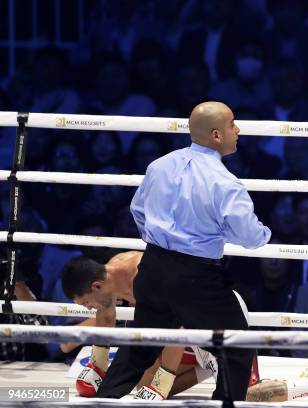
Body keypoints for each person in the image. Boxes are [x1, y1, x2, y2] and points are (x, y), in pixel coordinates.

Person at [95, 101, 271, 400]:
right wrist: (263, 233)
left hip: (152, 267)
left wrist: (161, 241)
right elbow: (249, 236)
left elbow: (138, 210)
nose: (238, 130)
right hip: (195, 277)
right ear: (217, 135)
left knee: (139, 351)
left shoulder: (160, 165)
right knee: (237, 345)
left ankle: (102, 403)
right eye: (232, 125)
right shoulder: (224, 183)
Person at [61, 253, 308, 403]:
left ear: (96, 285)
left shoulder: (142, 272)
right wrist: (97, 367)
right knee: (138, 387)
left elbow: (175, 328)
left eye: (85, 301)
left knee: (248, 394)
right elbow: (106, 314)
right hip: (191, 330)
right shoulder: (111, 271)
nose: (87, 307)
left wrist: (161, 381)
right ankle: (208, 368)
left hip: (217, 319)